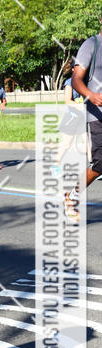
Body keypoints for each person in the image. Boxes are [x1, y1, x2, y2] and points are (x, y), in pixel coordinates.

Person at [64, 23, 102, 222]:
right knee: (99, 164)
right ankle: (72, 196)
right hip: (98, 114)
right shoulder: (92, 44)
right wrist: (91, 95)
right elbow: (76, 78)